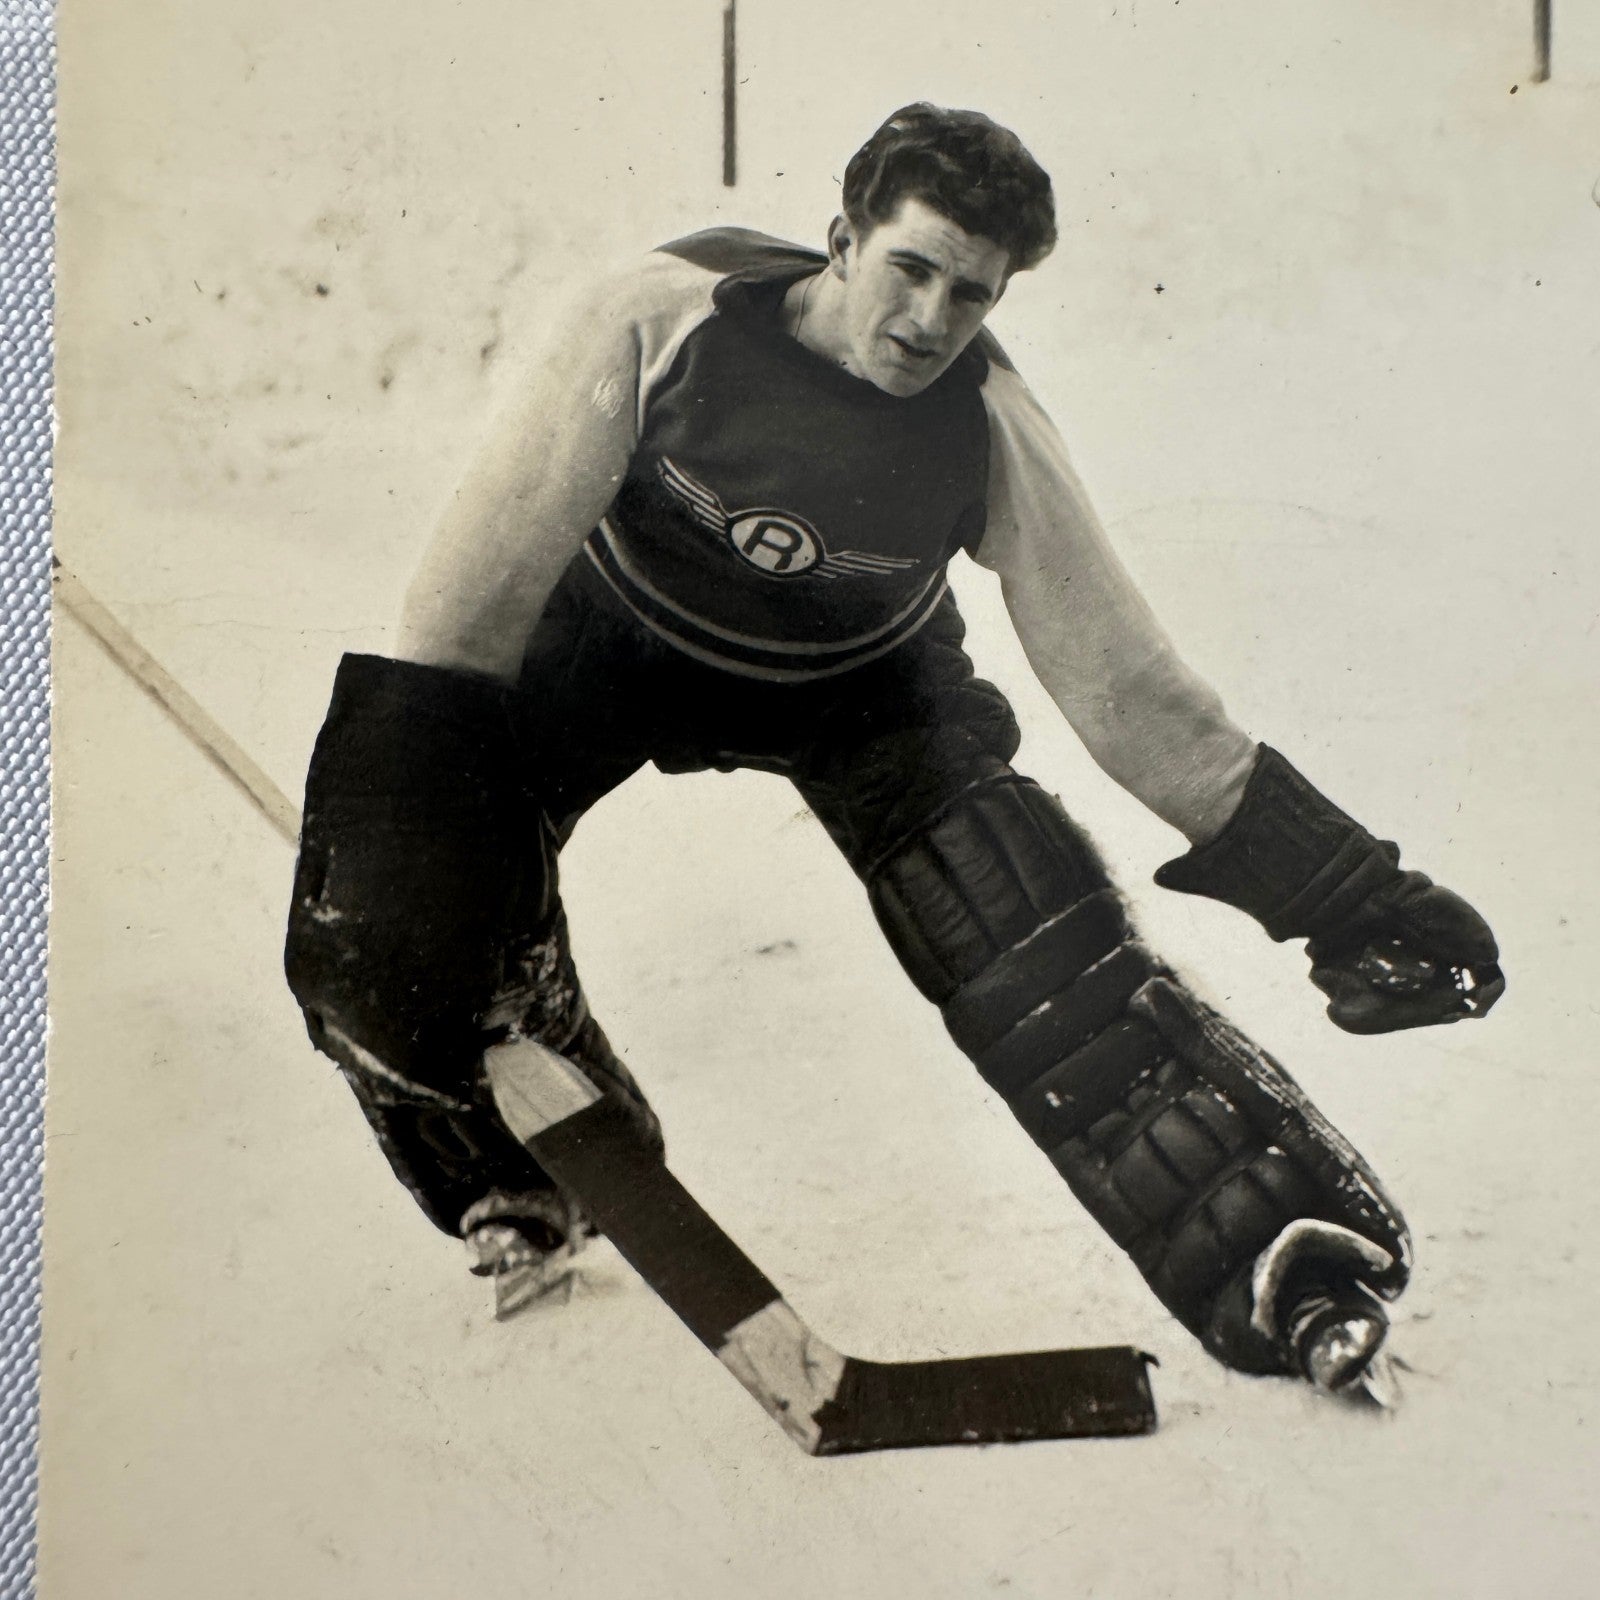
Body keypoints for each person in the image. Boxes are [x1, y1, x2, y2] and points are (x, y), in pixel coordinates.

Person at [285, 105, 1502, 1398]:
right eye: (909, 270)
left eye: (969, 295)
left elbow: (1130, 688)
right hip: (611, 643)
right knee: (381, 919)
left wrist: (1343, 892)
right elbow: (465, 610)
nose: (929, 320)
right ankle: (522, 1162)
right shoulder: (660, 315)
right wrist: (429, 854)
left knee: (1032, 935)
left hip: (865, 692)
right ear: (843, 239)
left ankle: (1286, 1260)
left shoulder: (985, 425)